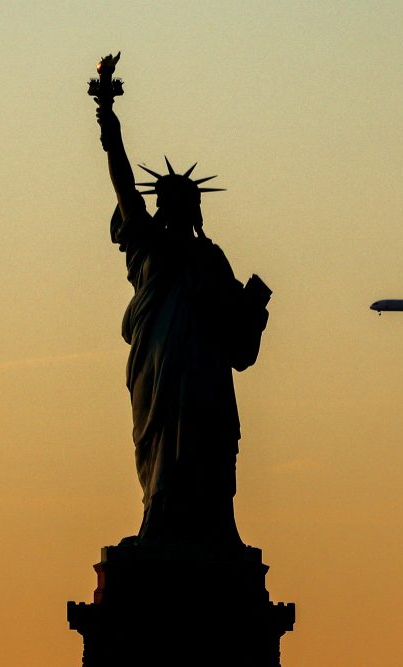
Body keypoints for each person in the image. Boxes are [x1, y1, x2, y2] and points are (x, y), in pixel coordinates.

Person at [94, 71, 269, 548]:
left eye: (183, 203)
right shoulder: (148, 247)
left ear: (194, 210)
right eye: (167, 203)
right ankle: (159, 520)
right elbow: (125, 186)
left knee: (209, 443)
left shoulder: (210, 260)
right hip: (158, 375)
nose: (173, 211)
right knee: (162, 450)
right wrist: (109, 122)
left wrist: (254, 305)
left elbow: (239, 344)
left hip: (206, 376)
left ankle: (216, 529)